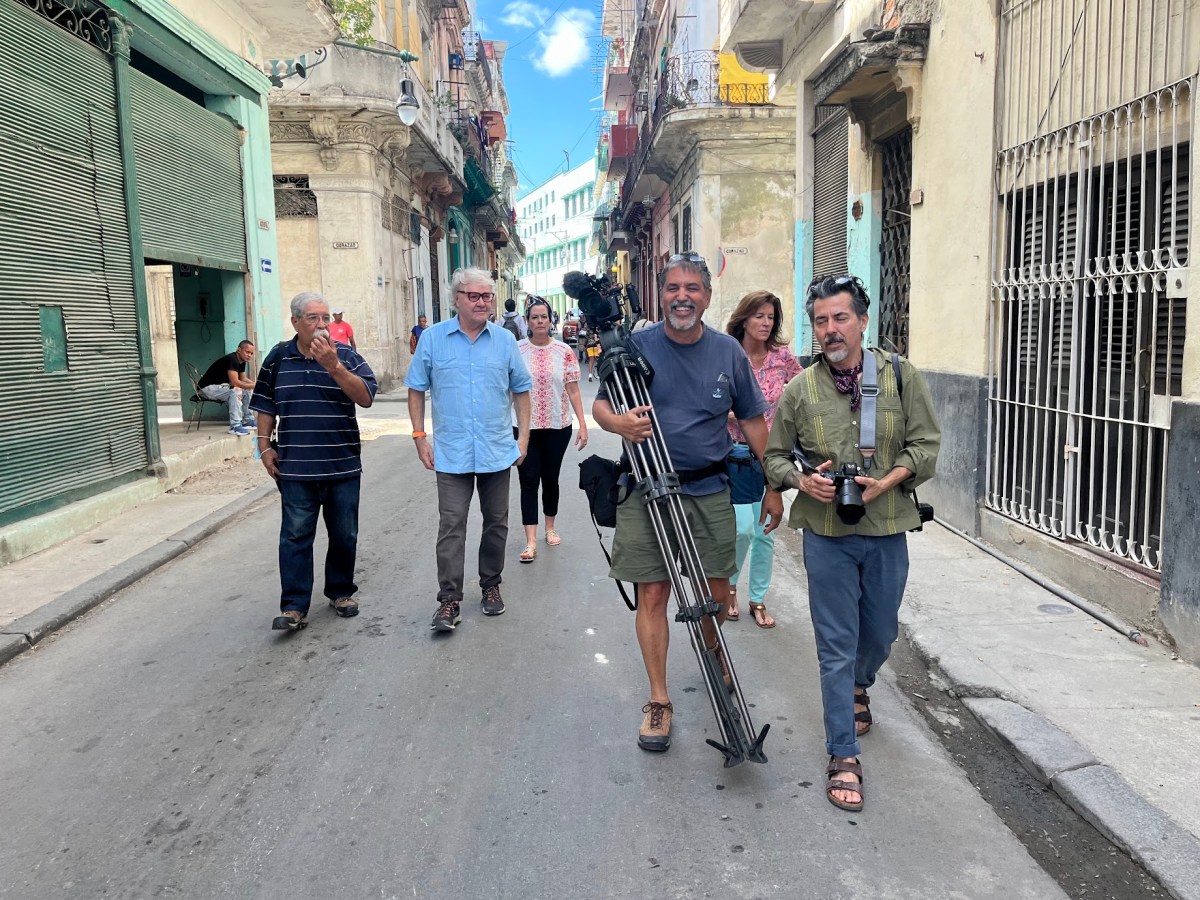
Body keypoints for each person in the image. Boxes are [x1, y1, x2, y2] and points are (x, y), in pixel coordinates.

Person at [592, 251, 783, 753]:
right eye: (673, 287)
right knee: (652, 594)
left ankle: (712, 649)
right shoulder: (636, 345)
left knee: (715, 596)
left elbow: (755, 421)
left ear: (707, 296)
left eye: (692, 288)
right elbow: (601, 404)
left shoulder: (728, 353)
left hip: (709, 488)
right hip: (645, 485)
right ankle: (659, 699)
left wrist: (774, 484)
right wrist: (618, 425)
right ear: (663, 293)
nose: (682, 296)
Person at [764, 274, 940, 813]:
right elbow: (773, 457)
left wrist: (886, 481)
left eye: (841, 317)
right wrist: (801, 482)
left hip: (887, 527)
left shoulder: (901, 376)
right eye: (821, 320)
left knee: (882, 632)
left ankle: (860, 685)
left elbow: (926, 445)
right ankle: (842, 753)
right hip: (828, 534)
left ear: (863, 320)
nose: (831, 329)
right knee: (834, 645)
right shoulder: (800, 388)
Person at [406, 268, 532, 634]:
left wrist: (523, 439)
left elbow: (521, 390)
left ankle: (490, 585)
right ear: (456, 299)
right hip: (452, 451)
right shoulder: (432, 340)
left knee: (496, 523)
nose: (482, 302)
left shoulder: (505, 341)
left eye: (487, 296)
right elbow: (416, 388)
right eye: (473, 296)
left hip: (496, 449)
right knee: (451, 526)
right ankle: (450, 600)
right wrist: (419, 436)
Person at [250, 292, 378, 632]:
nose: (321, 325)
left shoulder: (346, 355)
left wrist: (333, 367)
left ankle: (340, 592)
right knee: (294, 537)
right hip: (295, 468)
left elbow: (366, 397)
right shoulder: (278, 358)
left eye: (324, 318)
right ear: (295, 323)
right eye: (312, 318)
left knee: (344, 534)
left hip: (342, 464)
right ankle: (294, 606)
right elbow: (264, 405)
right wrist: (264, 448)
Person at [724, 291, 803, 628]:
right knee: (741, 530)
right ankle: (728, 588)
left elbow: (803, 389)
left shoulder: (781, 357)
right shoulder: (728, 354)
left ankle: (757, 598)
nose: (765, 323)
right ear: (744, 319)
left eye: (770, 317)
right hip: (733, 454)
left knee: (765, 532)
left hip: (771, 456)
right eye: (759, 316)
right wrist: (736, 415)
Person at [515, 297, 588, 562]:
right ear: (527, 322)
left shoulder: (563, 351)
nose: (539, 321)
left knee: (550, 478)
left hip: (558, 425)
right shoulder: (517, 350)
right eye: (534, 317)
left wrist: (582, 423)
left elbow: (573, 389)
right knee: (528, 480)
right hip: (525, 427)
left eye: (543, 316)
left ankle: (550, 527)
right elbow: (507, 390)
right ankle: (530, 541)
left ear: (550, 319)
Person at [198, 340, 257, 435]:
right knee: (235, 391)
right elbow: (236, 383)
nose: (249, 355)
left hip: (221, 387)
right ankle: (235, 426)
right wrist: (256, 386)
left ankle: (248, 420)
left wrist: (258, 384)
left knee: (247, 389)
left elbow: (243, 379)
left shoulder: (242, 361)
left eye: (251, 353)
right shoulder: (232, 359)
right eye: (247, 352)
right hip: (206, 389)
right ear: (239, 350)